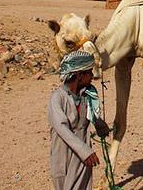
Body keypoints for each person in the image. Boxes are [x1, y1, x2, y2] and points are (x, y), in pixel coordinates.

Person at [48, 50, 109, 190]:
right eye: (89, 73)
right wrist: (85, 152)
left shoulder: (86, 95)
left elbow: (91, 114)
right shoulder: (57, 98)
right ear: (80, 76)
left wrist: (100, 126)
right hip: (65, 156)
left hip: (83, 156)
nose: (92, 76)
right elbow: (62, 128)